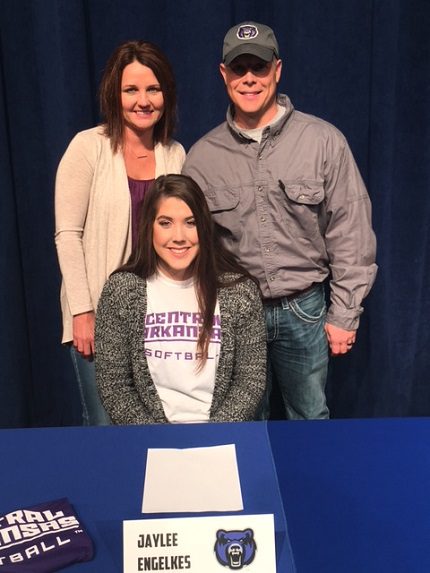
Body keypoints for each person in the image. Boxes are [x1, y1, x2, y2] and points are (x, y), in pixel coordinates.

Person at [183, 21, 377, 420]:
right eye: (240, 68)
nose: (249, 78)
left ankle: (310, 486)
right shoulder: (201, 158)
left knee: (308, 417)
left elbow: (350, 232)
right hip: (236, 313)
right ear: (224, 75)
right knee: (243, 421)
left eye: (259, 67)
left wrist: (345, 314)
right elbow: (191, 250)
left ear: (278, 70)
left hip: (304, 309)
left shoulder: (323, 141)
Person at [55, 41, 185, 425]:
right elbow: (67, 233)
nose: (143, 100)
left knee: (152, 424)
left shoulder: (174, 153)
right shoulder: (87, 147)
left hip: (157, 320)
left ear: (166, 95)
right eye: (131, 90)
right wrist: (82, 311)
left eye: (152, 89)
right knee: (104, 427)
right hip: (98, 313)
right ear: (115, 93)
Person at [95, 174, 266, 424]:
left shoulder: (240, 291)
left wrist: (211, 437)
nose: (179, 236)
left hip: (220, 437)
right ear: (149, 226)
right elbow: (115, 385)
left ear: (204, 227)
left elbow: (249, 381)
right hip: (150, 438)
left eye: (190, 222)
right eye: (165, 223)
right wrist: (159, 438)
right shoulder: (121, 291)